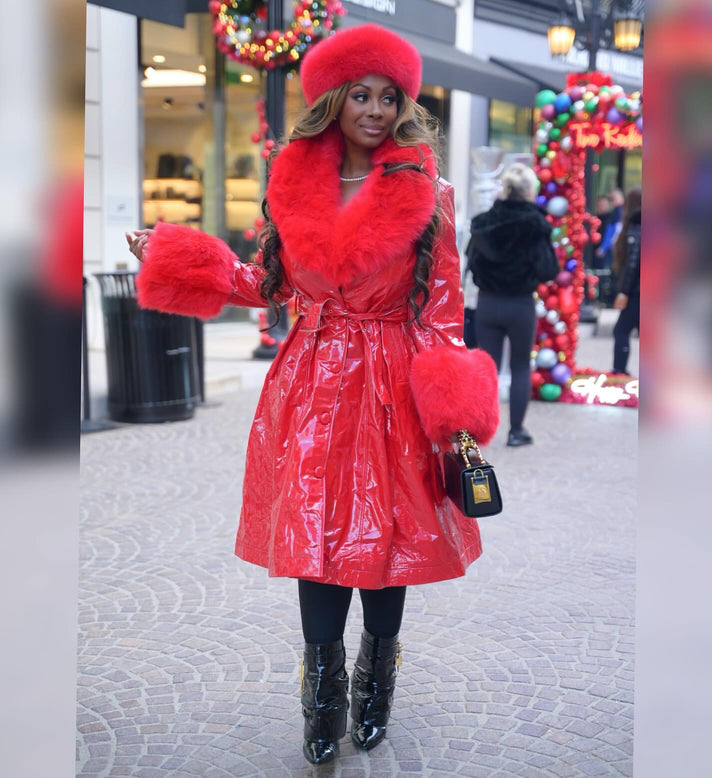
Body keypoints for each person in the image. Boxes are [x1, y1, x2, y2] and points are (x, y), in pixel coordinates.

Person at [125, 24, 499, 766]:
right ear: (333, 101)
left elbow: (444, 310)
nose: (376, 110)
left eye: (388, 96)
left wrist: (453, 411)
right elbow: (265, 282)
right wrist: (173, 253)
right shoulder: (293, 185)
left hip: (393, 382)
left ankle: (377, 681)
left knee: (390, 536)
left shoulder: (431, 195)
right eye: (360, 95)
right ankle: (323, 698)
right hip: (311, 382)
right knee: (316, 540)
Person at [466, 163, 559, 447]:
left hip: (488, 303)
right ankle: (516, 431)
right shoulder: (536, 225)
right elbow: (548, 269)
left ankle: (477, 430)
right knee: (519, 367)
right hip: (520, 305)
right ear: (529, 191)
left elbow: (472, 264)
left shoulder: (483, 223)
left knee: (486, 368)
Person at [611, 187, 641, 375]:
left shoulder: (636, 226)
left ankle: (619, 371)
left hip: (637, 291)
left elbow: (633, 263)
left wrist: (624, 291)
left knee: (621, 330)